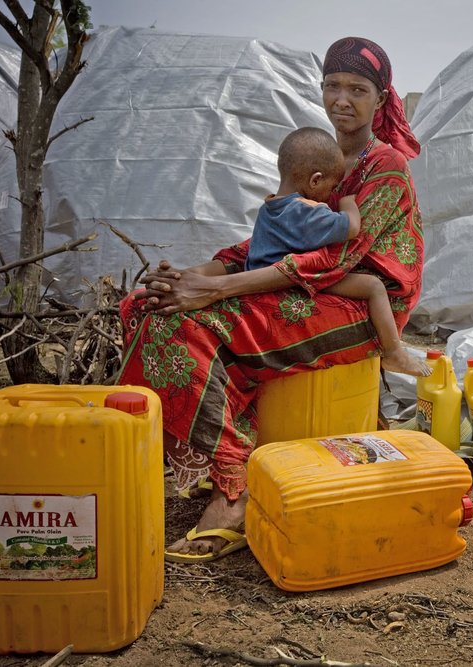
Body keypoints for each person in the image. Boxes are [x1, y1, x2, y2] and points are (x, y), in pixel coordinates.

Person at [118, 36, 425, 562]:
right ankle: (219, 458)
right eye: (332, 85)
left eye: (358, 89)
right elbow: (275, 237)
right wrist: (194, 274)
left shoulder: (385, 165)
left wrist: (216, 289)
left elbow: (335, 257)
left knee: (191, 323)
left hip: (363, 302)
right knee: (148, 305)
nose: (342, 99)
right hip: (302, 284)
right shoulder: (317, 155)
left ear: (380, 98)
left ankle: (232, 493)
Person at [247, 126, 431, 377]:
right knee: (373, 287)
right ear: (315, 181)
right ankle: (394, 354)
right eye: (332, 187)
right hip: (289, 281)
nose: (331, 195)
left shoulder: (268, 208)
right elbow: (352, 228)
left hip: (261, 278)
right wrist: (348, 201)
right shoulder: (306, 212)